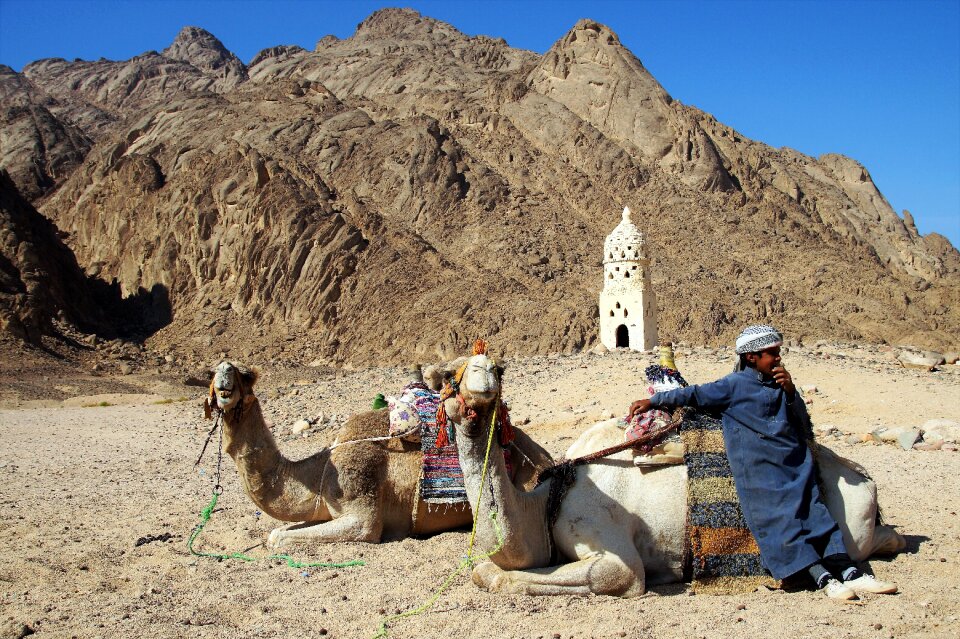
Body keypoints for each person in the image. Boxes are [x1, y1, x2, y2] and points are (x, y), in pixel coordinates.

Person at [629, 325, 898, 600]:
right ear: (751, 357)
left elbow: (803, 424)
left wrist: (792, 392)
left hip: (795, 464)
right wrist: (653, 401)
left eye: (778, 352)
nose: (778, 358)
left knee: (816, 514)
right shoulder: (733, 385)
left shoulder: (781, 385)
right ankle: (823, 578)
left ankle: (851, 572)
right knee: (780, 521)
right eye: (771, 353)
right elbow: (694, 394)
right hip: (760, 470)